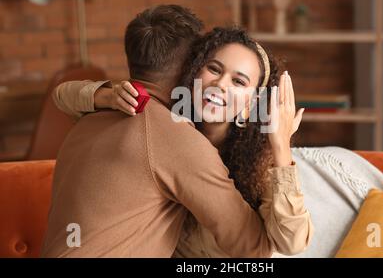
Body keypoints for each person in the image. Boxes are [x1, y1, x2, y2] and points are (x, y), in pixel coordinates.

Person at [51, 25, 313, 257]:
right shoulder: (165, 127)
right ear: (194, 72)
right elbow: (63, 96)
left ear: (252, 103)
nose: (221, 85)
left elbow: (291, 244)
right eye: (214, 68)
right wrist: (104, 96)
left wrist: (280, 147)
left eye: (238, 81)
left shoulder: (260, 161)